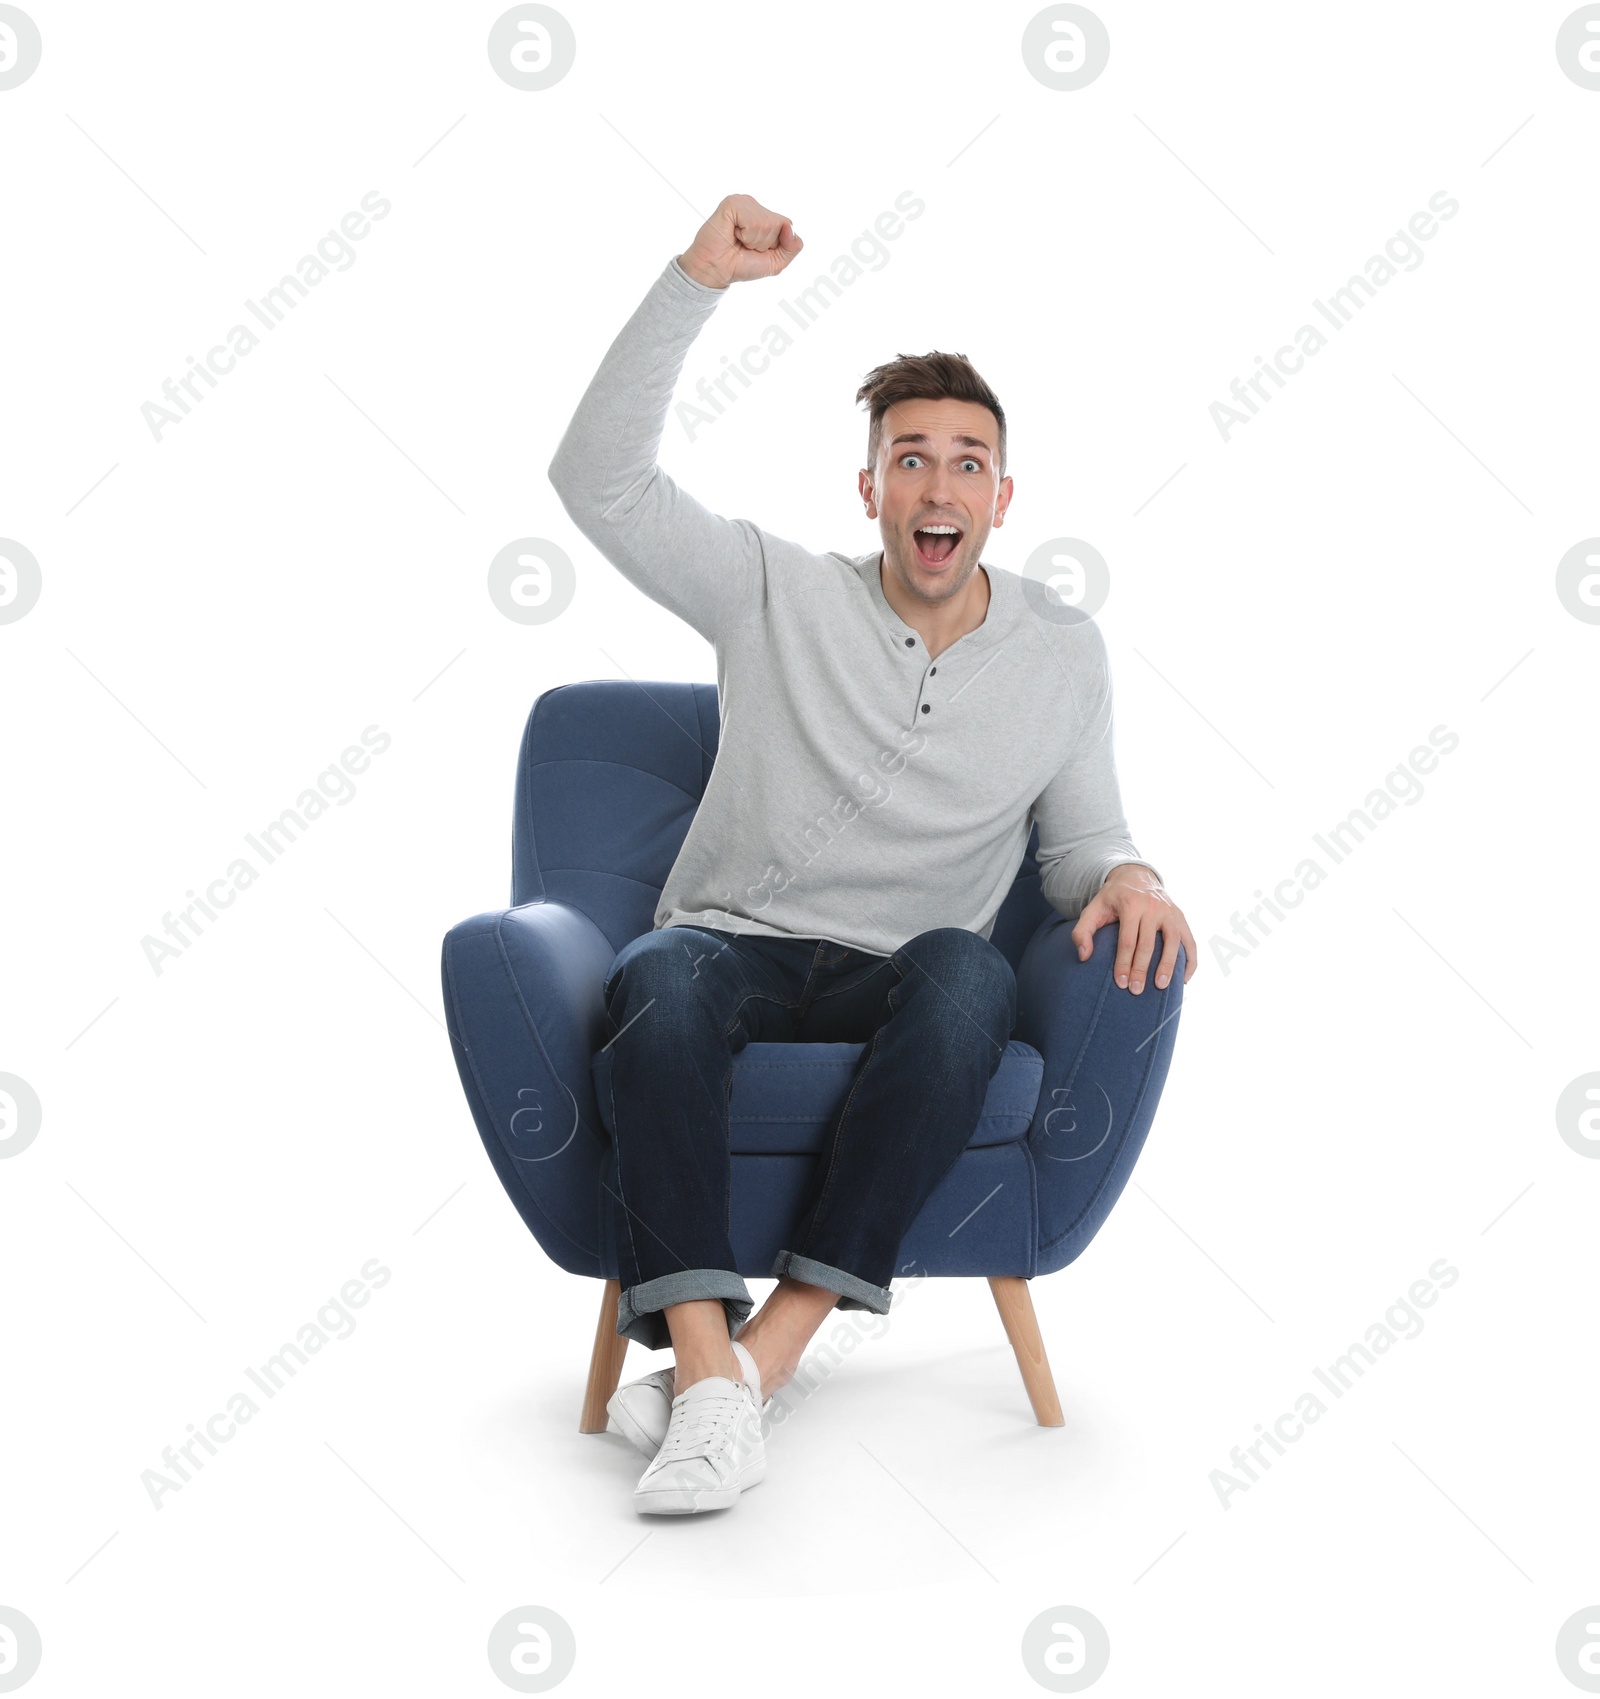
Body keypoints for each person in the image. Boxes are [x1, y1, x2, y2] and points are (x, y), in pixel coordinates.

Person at [547, 193, 1197, 1516]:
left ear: (1002, 499)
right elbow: (595, 480)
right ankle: (720, 1383)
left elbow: (1084, 846)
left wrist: (1135, 880)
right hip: (729, 949)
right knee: (659, 977)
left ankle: (738, 1374)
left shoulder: (1062, 655)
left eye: (965, 461)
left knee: (973, 973)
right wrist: (693, 282)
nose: (936, 485)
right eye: (909, 458)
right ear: (872, 490)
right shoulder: (771, 590)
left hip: (905, 976)